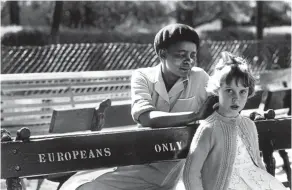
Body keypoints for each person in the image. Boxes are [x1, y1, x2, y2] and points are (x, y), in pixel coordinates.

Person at [60, 23, 216, 190]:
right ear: (162, 53)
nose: (189, 61)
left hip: (178, 169)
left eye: (193, 55)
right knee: (77, 187)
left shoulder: (200, 78)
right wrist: (195, 115)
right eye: (181, 54)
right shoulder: (142, 76)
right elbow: (147, 117)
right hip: (140, 162)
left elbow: (223, 105)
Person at [183, 51, 286, 190]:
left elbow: (257, 163)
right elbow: (191, 174)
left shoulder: (248, 125)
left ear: (248, 92)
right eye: (229, 91)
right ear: (217, 90)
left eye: (242, 91)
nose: (236, 98)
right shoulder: (208, 129)